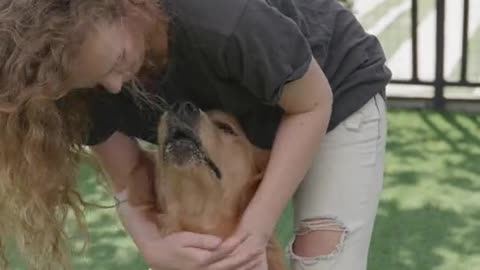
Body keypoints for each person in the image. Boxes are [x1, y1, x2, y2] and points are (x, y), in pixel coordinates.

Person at [0, 0, 391, 269]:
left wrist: (256, 228)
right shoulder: (83, 83)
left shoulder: (215, 15)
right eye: (94, 81)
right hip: (230, 121)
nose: (117, 87)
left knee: (321, 257)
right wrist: (152, 246)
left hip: (329, 91)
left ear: (124, 4)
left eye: (117, 62)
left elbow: (312, 103)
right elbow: (132, 180)